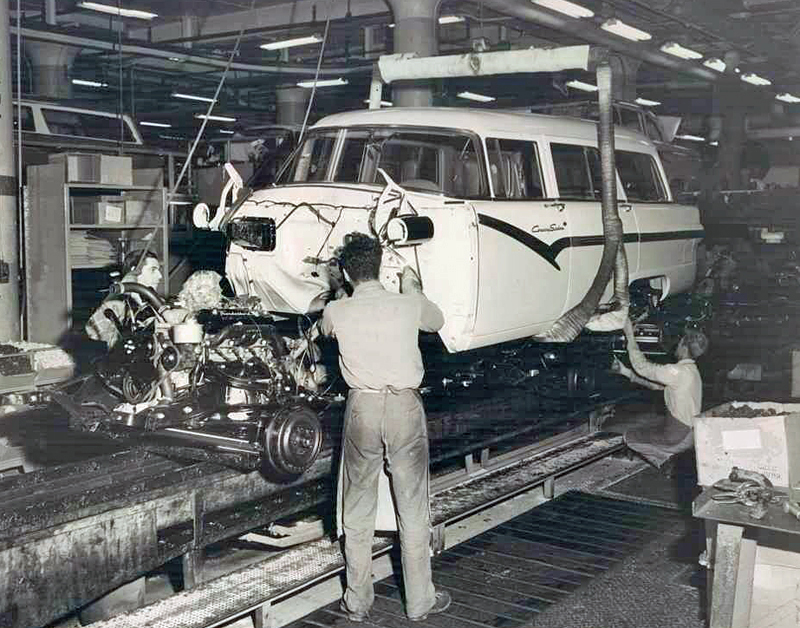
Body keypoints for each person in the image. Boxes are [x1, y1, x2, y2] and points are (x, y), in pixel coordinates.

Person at [319, 233, 451, 622]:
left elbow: (326, 329)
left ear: (345, 271)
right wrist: (411, 284)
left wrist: (340, 292)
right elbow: (437, 320)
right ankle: (419, 603)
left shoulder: (337, 312)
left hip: (362, 408)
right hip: (404, 409)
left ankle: (357, 602)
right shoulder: (408, 305)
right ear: (380, 266)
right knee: (412, 507)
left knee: (357, 507)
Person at [613, 318, 709, 468]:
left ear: (684, 348)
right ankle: (669, 458)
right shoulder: (692, 371)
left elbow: (642, 367)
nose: (676, 346)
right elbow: (656, 386)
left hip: (678, 435)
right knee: (647, 431)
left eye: (679, 343)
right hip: (689, 433)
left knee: (630, 437)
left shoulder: (678, 371)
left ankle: (666, 460)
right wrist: (625, 372)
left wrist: (629, 335)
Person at [85, 250, 163, 348]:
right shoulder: (115, 305)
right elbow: (92, 335)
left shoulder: (160, 303)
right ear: (134, 271)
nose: (160, 276)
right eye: (153, 270)